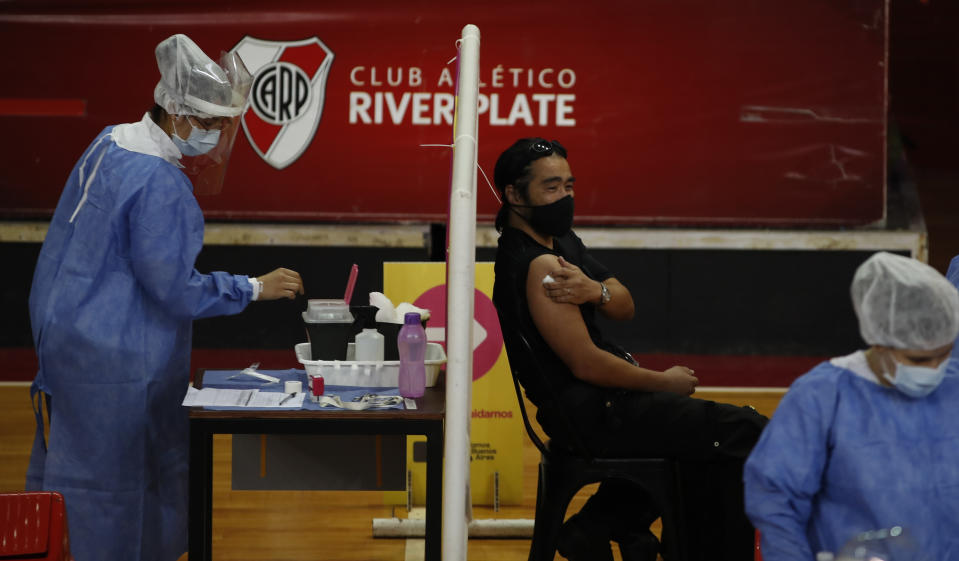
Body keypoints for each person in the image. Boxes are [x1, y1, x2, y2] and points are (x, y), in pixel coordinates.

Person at [25, 34, 304, 561]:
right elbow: (173, 288)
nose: (218, 136)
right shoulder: (159, 183)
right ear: (178, 114)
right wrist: (253, 287)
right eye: (213, 124)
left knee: (74, 487)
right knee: (118, 497)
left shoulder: (111, 143)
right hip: (116, 363)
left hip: (65, 343)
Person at [491, 137, 768, 561]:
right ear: (513, 194)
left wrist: (593, 290)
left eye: (569, 185)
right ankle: (618, 528)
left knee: (707, 438)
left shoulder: (561, 243)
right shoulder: (541, 266)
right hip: (593, 414)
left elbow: (625, 305)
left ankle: (599, 526)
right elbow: (585, 364)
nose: (565, 196)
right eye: (551, 187)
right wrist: (664, 382)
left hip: (608, 405)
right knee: (745, 431)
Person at [743, 251, 959, 560]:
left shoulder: (953, 385)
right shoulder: (822, 397)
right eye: (919, 359)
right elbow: (776, 500)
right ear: (880, 339)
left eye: (945, 354)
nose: (935, 368)